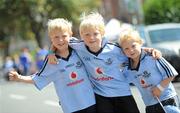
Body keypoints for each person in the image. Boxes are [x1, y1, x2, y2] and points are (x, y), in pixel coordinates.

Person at [49, 12, 161, 113]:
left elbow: (132, 49)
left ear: (102, 33)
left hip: (122, 93)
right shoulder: (79, 46)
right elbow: (60, 41)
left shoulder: (115, 49)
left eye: (95, 34)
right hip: (102, 96)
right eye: (87, 34)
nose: (91, 37)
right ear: (81, 35)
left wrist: (149, 50)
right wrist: (51, 53)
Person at [9, 18, 96, 113]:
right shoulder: (51, 60)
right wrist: (19, 77)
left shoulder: (79, 48)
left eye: (64, 36)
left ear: (70, 35)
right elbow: (38, 78)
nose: (61, 40)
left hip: (92, 102)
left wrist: (51, 50)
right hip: (71, 107)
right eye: (56, 37)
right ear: (51, 38)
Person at [119, 29, 180, 113]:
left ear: (140, 43)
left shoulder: (153, 57)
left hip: (167, 99)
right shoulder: (127, 68)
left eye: (133, 46)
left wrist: (159, 88)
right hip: (149, 104)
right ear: (123, 51)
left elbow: (171, 73)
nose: (131, 50)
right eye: (126, 48)